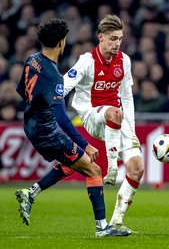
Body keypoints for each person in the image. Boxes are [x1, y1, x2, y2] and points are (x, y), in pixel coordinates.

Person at [15, 18, 130, 238]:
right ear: (61, 42)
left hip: (30, 123)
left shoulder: (32, 59)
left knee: (76, 163)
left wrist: (37, 106)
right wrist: (85, 144)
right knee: (93, 170)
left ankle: (30, 193)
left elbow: (22, 89)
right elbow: (61, 117)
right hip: (46, 129)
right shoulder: (54, 76)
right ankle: (102, 228)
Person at [62, 14, 143, 233]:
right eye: (113, 38)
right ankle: (111, 167)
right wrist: (51, 101)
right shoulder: (86, 61)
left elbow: (127, 97)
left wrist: (132, 130)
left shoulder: (124, 61)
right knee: (115, 113)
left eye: (120, 39)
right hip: (91, 114)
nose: (117, 43)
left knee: (137, 169)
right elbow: (64, 85)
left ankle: (116, 221)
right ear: (101, 37)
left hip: (116, 117)